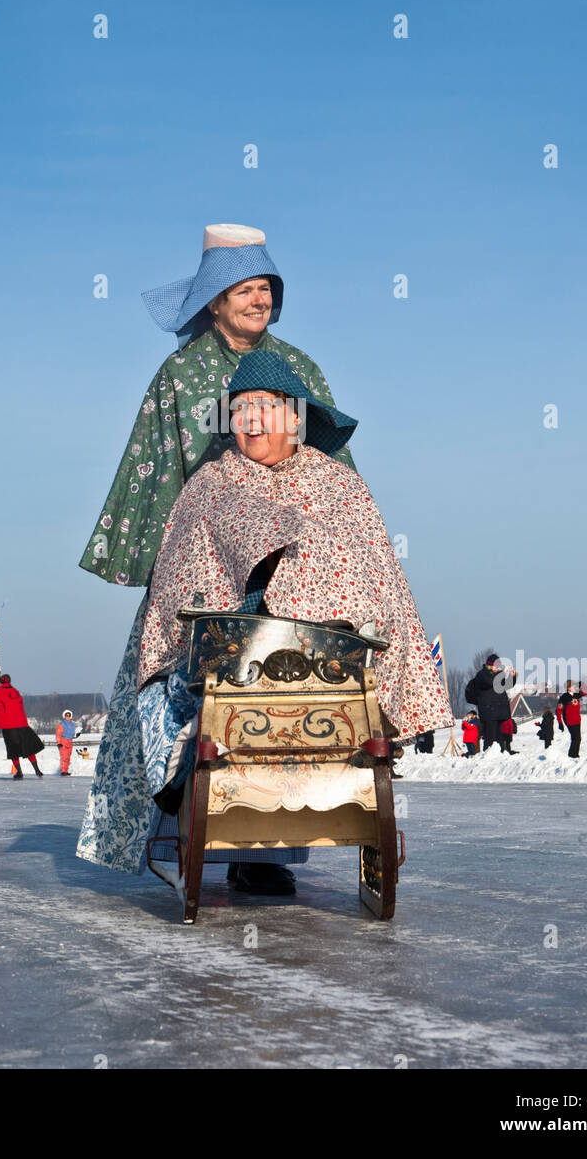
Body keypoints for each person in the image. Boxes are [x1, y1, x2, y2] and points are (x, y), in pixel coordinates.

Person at [114, 351, 452, 895]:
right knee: (198, 685)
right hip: (238, 644)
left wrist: (315, 590)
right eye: (241, 409)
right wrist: (263, 573)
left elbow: (374, 574)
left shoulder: (340, 487)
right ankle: (232, 834)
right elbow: (186, 573)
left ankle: (277, 845)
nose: (251, 420)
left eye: (266, 408)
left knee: (339, 645)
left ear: (295, 418)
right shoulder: (211, 484)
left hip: (333, 651)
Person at [77, 224, 358, 878]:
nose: (259, 299)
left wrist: (338, 536)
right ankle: (181, 831)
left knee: (278, 702)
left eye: (266, 287)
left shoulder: (297, 366)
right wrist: (156, 563)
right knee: (187, 697)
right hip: (200, 557)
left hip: (282, 560)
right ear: (214, 299)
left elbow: (328, 454)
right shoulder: (178, 377)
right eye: (245, 288)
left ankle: (263, 849)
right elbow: (152, 467)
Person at [465, 655, 514, 752]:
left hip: (499, 712)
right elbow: (490, 682)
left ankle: (501, 753)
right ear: (490, 665)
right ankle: (487, 755)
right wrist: (502, 673)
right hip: (489, 712)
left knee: (500, 737)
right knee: (490, 736)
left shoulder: (498, 675)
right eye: (496, 666)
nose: (498, 669)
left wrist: (513, 676)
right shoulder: (482, 674)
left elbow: (508, 685)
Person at [56, 709, 76, 776]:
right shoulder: (61, 724)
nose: (68, 716)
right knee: (64, 757)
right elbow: (58, 734)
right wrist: (59, 743)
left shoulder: (72, 725)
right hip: (63, 741)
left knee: (68, 757)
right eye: (66, 715)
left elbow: (73, 734)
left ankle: (66, 770)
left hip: (70, 741)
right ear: (64, 716)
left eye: (69, 715)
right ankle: (63, 771)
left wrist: (76, 735)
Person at [564, 693, 582, 758]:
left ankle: (575, 753)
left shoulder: (577, 703)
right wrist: (571, 703)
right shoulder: (568, 705)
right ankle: (572, 754)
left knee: (578, 739)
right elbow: (566, 714)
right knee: (575, 739)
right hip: (571, 723)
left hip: (577, 722)